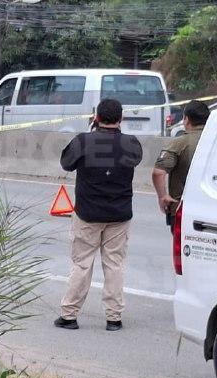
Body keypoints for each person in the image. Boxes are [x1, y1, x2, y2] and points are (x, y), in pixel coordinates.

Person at [54, 98, 143, 332]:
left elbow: (66, 163)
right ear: (121, 119)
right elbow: (136, 158)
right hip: (119, 214)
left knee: (82, 264)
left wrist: (90, 132)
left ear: (96, 118)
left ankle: (69, 315)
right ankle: (114, 318)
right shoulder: (130, 143)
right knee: (114, 265)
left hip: (87, 214)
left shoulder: (83, 141)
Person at [152, 100, 210, 232]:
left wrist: (163, 196)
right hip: (212, 209)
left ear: (186, 119)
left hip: (182, 208)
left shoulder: (179, 143)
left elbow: (158, 173)